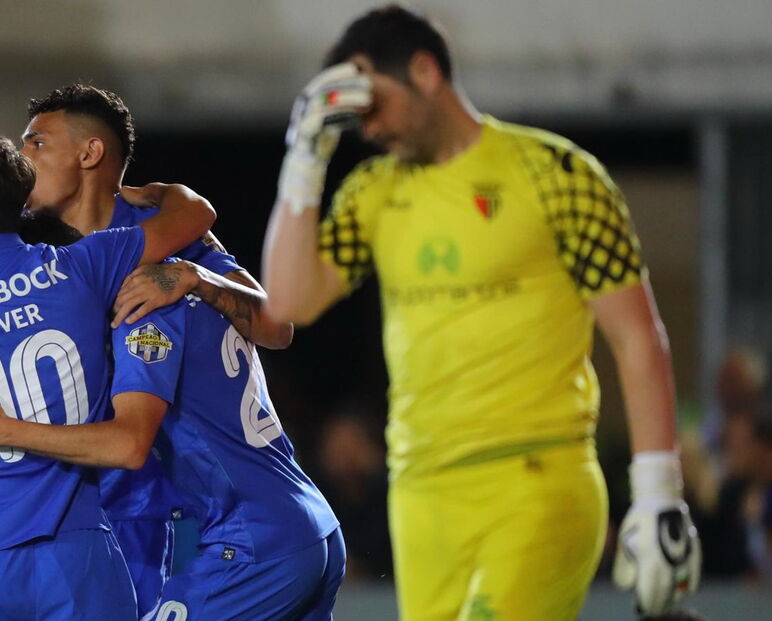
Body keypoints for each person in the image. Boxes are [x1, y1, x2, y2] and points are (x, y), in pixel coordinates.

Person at [261, 5, 700, 619]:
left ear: (425, 71)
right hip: (420, 492)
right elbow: (287, 302)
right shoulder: (373, 191)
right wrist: (304, 156)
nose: (367, 124)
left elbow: (637, 337)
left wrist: (659, 495)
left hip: (538, 476)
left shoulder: (557, 175)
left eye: (374, 101)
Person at [0, 84, 293, 616]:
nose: (22, 156)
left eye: (35, 143)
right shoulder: (53, 255)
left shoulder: (163, 247)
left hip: (188, 517)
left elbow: (276, 326)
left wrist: (195, 277)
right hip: (95, 521)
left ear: (89, 154)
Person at [0, 242, 345, 620]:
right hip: (306, 517)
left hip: (251, 538)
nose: (30, 161)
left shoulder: (145, 301)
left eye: (38, 156)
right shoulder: (187, 247)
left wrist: (4, 430)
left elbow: (129, 443)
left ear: (88, 159)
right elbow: (278, 324)